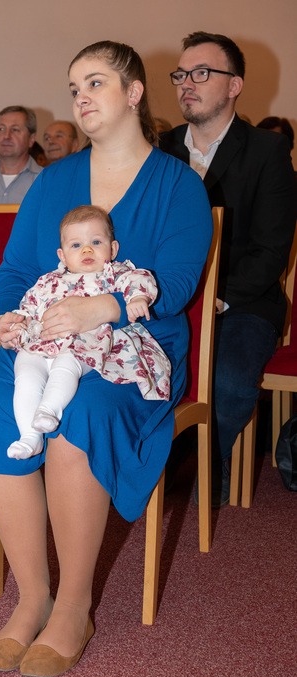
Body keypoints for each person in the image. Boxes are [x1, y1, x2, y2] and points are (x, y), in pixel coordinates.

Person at [0, 40, 212, 677]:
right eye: (74, 88)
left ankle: (75, 605)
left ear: (134, 93)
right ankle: (33, 597)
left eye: (96, 83)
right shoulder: (55, 181)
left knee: (83, 410)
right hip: (49, 340)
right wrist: (8, 316)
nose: (81, 97)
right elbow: (16, 271)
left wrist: (102, 308)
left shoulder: (177, 183)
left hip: (135, 348)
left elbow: (177, 283)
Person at [160, 31, 297, 506]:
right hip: (170, 297)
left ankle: (208, 460)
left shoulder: (267, 151)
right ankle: (154, 459)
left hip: (242, 300)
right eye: (181, 74)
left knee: (229, 381)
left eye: (201, 73)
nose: (187, 83)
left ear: (234, 85)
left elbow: (271, 250)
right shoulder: (158, 150)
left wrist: (217, 299)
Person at [7, 204, 171, 460]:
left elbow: (140, 279)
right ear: (62, 256)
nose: (86, 250)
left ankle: (49, 409)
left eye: (95, 242)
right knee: (25, 368)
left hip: (90, 342)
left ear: (112, 249)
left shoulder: (114, 273)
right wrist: (19, 324)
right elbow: (28, 307)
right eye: (76, 245)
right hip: (46, 341)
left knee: (67, 362)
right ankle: (29, 436)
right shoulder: (48, 282)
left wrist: (138, 298)